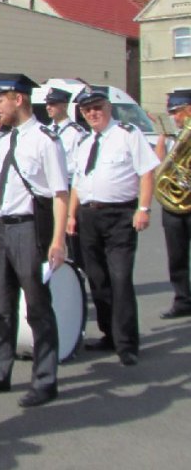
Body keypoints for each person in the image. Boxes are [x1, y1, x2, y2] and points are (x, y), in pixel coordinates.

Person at [0, 73, 68, 408]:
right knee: (1, 307)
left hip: (29, 228)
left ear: (18, 99)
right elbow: (1, 193)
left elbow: (60, 194)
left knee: (37, 307)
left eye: (0, 100)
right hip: (4, 229)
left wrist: (58, 240)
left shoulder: (45, 140)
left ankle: (45, 379)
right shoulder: (5, 141)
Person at [67, 87, 159, 366]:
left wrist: (143, 209)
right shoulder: (85, 142)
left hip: (119, 215)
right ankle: (109, 334)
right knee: (98, 279)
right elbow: (77, 182)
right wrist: (71, 215)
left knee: (120, 279)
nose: (92, 113)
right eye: (87, 110)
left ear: (108, 107)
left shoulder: (128, 134)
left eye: (97, 107)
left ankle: (127, 343)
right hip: (88, 216)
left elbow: (146, 172)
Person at [154, 88, 191, 319]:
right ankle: (182, 300)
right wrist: (161, 139)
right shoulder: (172, 137)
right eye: (172, 113)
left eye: (177, 112)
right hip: (174, 205)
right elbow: (158, 167)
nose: (174, 117)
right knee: (176, 256)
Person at [45, 87, 87, 266]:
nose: (48, 107)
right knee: (49, 237)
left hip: (69, 187)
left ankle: (79, 274)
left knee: (72, 238)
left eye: (53, 104)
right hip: (49, 189)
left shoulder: (76, 133)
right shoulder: (46, 130)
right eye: (47, 104)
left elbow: (80, 166)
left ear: (64, 105)